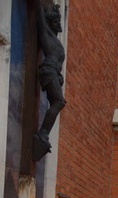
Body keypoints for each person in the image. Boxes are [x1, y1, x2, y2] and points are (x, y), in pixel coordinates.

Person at [33, 1, 66, 161]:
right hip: (47, 70)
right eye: (55, 20)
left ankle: (43, 134)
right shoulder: (46, 33)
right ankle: (43, 134)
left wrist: (59, 75)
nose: (58, 23)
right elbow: (39, 13)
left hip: (53, 72)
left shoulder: (55, 40)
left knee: (59, 102)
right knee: (59, 101)